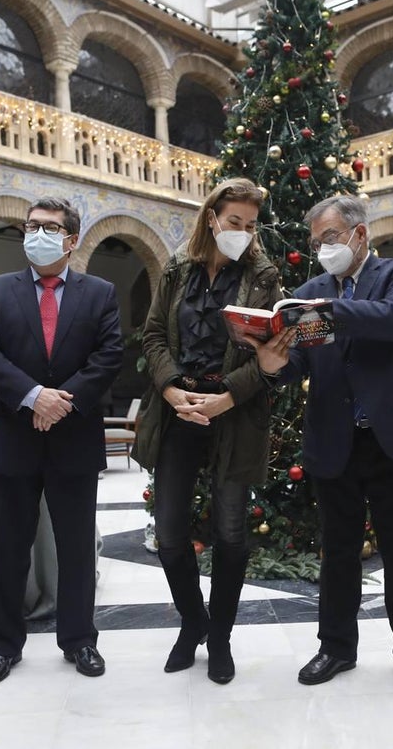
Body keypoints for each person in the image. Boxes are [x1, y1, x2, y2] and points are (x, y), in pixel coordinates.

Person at [250, 194, 393, 695]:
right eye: (316, 242)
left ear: (360, 235)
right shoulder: (308, 292)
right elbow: (298, 364)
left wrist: (330, 311)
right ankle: (336, 647)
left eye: (331, 238)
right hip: (335, 439)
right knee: (337, 552)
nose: (322, 249)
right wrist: (273, 361)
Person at [131, 178, 281, 684]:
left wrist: (225, 398)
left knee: (232, 532)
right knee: (170, 533)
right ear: (211, 217)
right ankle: (193, 622)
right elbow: (152, 334)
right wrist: (172, 390)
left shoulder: (263, 276)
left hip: (232, 411)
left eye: (250, 224)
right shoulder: (177, 268)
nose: (243, 232)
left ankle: (220, 638)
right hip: (178, 408)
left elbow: (273, 358)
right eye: (234, 222)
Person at [0, 197, 122, 686]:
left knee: (75, 548)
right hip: (16, 436)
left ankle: (80, 641)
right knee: (9, 547)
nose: (38, 234)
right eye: (32, 226)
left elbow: (108, 356)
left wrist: (61, 401)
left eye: (50, 227)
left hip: (74, 438)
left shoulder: (100, 292)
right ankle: (1, 646)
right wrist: (33, 397)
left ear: (71, 239)